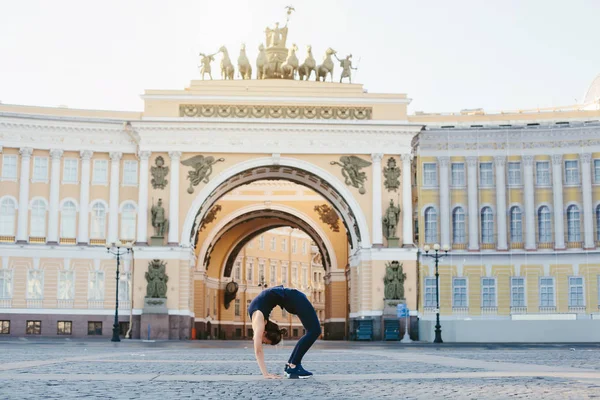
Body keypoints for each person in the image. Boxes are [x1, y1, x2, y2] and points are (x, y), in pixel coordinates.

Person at [248, 285, 321, 379]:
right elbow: (256, 342)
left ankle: (292, 365)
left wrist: (265, 374)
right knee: (314, 330)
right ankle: (292, 365)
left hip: (294, 298)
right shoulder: (259, 320)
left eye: (264, 342)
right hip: (293, 298)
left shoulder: (258, 320)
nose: (262, 343)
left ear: (264, 333)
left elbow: (258, 351)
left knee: (314, 330)